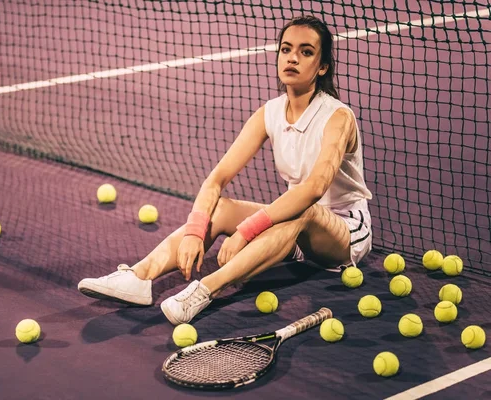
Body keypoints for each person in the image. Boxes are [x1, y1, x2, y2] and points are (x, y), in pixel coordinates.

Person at [78, 15, 373, 325]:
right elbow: (216, 179)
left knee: (303, 210)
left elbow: (313, 190)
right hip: (292, 230)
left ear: (322, 66)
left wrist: (247, 231)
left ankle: (204, 290)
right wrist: (195, 231)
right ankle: (139, 277)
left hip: (343, 232)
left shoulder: (338, 117)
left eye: (306, 51)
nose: (293, 58)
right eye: (286, 49)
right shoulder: (269, 113)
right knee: (220, 208)